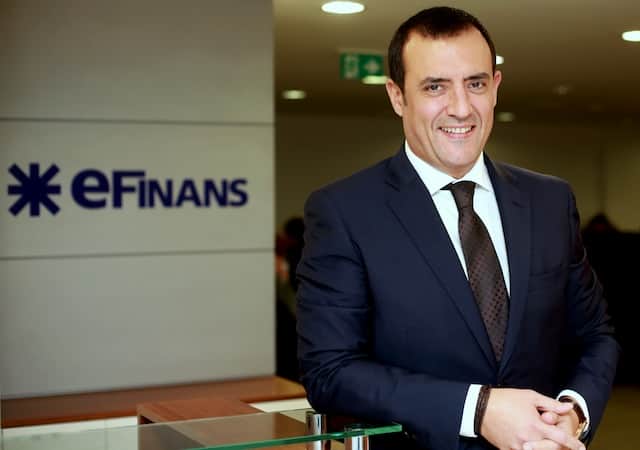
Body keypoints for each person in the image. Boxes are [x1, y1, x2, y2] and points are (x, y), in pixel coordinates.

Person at [296, 6, 619, 450]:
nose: (462, 108)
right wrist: (477, 409)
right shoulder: (344, 211)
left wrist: (573, 412)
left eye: (476, 84)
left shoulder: (550, 201)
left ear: (496, 87)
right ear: (397, 96)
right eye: (435, 87)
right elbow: (330, 371)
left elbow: (595, 336)